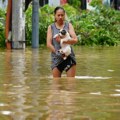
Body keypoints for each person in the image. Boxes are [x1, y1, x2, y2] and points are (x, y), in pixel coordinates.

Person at [47, 6, 78, 78]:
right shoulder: (51, 27)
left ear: (64, 15)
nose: (60, 17)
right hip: (56, 58)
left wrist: (62, 41)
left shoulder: (68, 25)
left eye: (62, 15)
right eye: (58, 15)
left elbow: (75, 40)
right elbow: (48, 44)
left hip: (69, 57)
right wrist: (57, 52)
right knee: (56, 85)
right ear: (55, 16)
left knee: (71, 84)